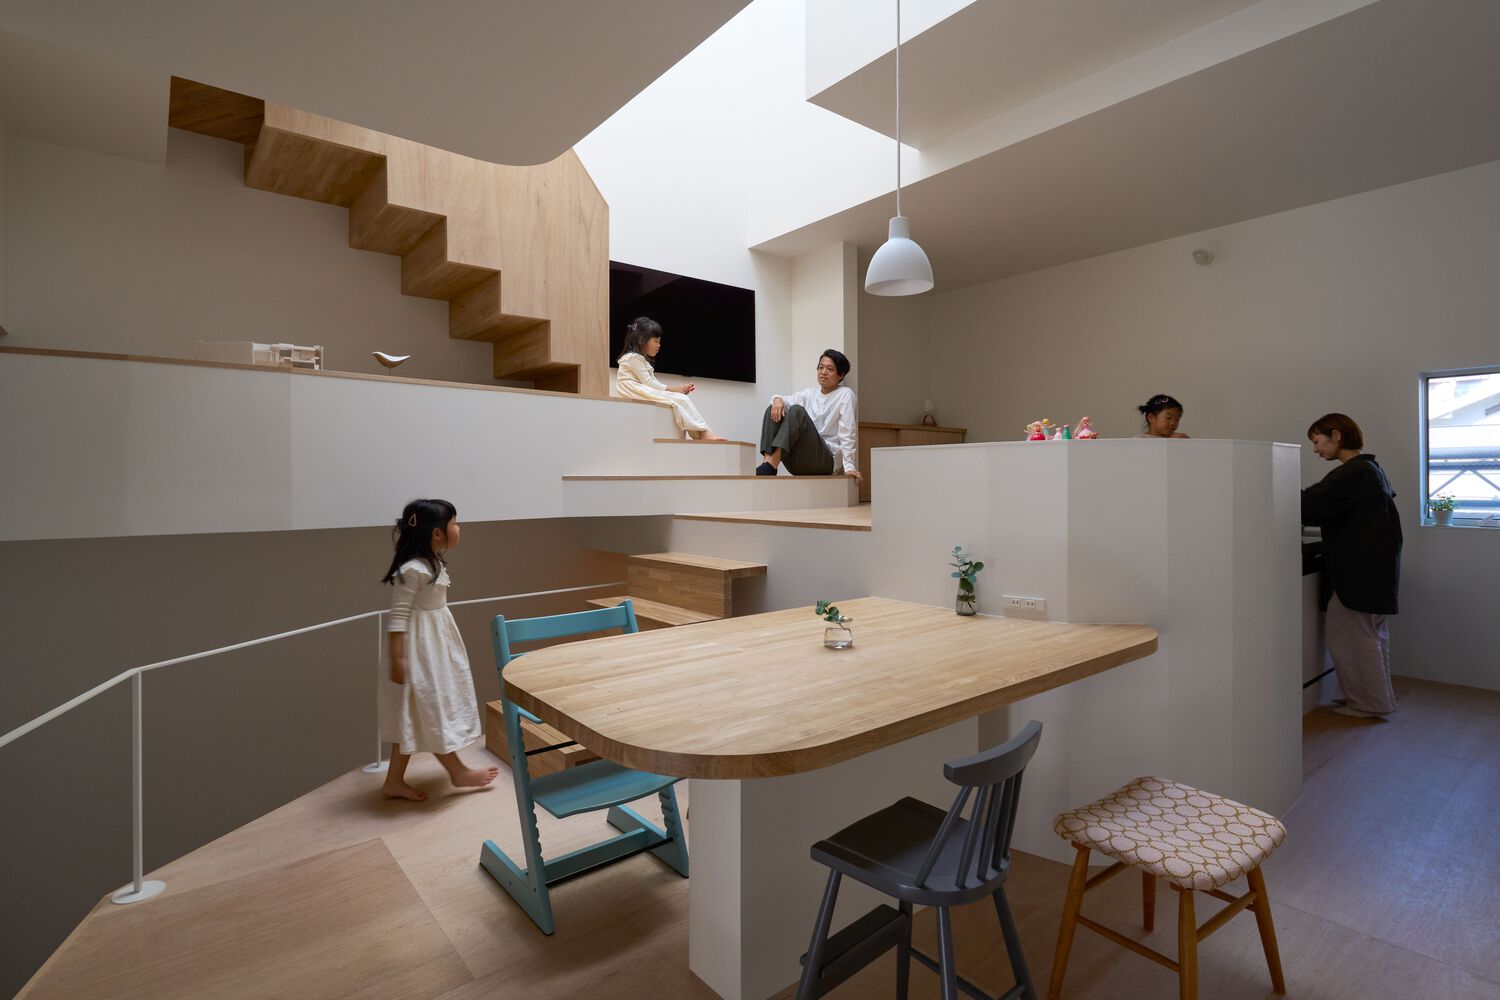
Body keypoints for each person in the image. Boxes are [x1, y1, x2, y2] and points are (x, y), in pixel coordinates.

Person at [378, 498, 500, 801]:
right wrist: (398, 658)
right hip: (420, 651)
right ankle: (457, 771)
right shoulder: (413, 569)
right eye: (454, 523)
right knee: (429, 710)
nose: (459, 529)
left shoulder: (432, 563)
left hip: (435, 646)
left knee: (414, 715)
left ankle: (394, 781)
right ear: (436, 533)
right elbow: (398, 616)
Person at [1301, 413, 1402, 719]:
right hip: (1376, 568)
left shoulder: (1353, 472)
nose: (1316, 449)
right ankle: (1376, 698)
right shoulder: (1371, 469)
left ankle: (1368, 703)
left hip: (1359, 571)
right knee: (1371, 636)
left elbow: (1310, 504)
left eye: (1317, 441)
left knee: (1352, 638)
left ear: (1336, 435)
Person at [614, 316, 725, 440]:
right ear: (641, 340)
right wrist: (674, 389)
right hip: (633, 391)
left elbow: (652, 382)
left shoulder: (639, 359)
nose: (659, 345)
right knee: (681, 399)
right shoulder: (633, 358)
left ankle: (702, 432)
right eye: (656, 341)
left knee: (680, 399)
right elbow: (649, 382)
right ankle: (703, 433)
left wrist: (675, 390)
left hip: (638, 390)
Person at [757, 349, 861, 481]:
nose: (823, 372)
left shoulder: (845, 394)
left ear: (841, 375)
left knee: (797, 411)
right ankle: (768, 463)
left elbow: (847, 433)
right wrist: (777, 400)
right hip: (801, 461)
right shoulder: (810, 393)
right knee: (773, 408)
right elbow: (783, 401)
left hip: (826, 460)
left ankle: (771, 464)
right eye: (821, 367)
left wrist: (849, 466)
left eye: (830, 369)